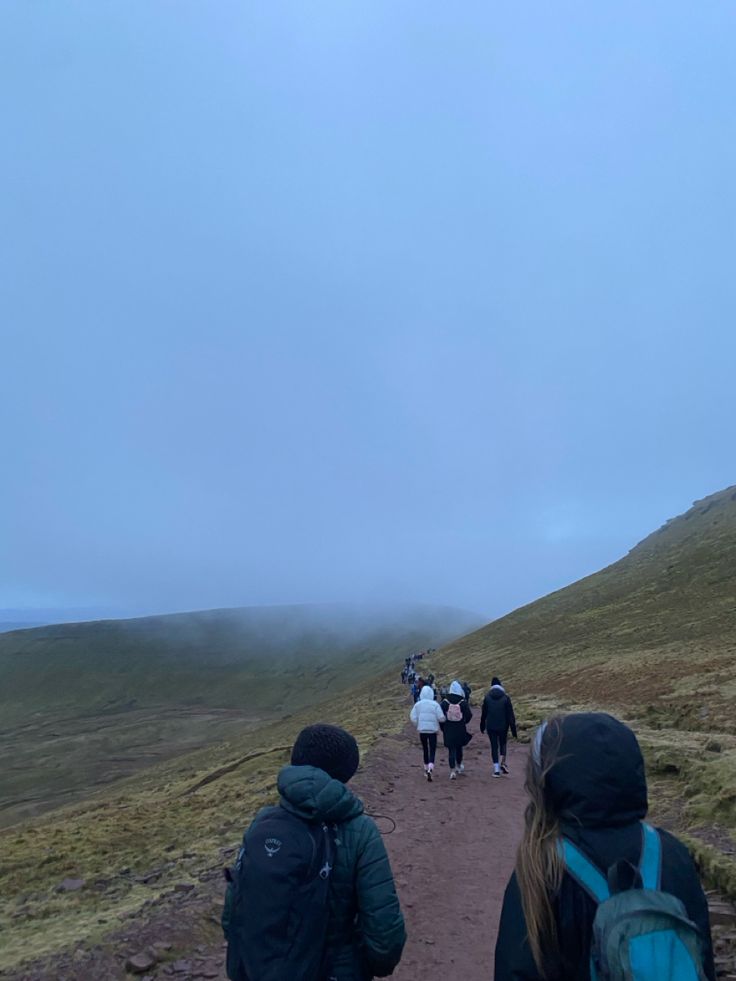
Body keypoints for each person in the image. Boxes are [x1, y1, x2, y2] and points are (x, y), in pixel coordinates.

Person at [494, 713, 715, 981]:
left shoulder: (542, 868)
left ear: (548, 781)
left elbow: (516, 971)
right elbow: (702, 959)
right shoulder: (673, 853)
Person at [224, 723, 406, 980]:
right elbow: (384, 930)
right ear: (346, 773)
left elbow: (234, 908)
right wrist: (368, 966)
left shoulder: (264, 821)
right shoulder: (361, 831)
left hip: (259, 970)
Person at [480, 676, 517, 777]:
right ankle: (502, 762)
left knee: (494, 746)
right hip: (503, 726)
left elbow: (484, 714)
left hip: (491, 726)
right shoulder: (506, 698)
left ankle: (496, 769)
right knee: (503, 743)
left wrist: (482, 725)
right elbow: (510, 715)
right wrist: (514, 730)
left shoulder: (487, 697)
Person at [410, 684, 445, 781]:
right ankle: (431, 767)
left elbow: (413, 717)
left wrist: (418, 724)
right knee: (432, 749)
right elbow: (441, 718)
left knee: (425, 749)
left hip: (422, 730)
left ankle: (425, 769)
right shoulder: (435, 704)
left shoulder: (418, 705)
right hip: (433, 731)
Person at [440, 680, 473, 780]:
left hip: (449, 729)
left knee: (451, 750)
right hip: (460, 728)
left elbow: (440, 716)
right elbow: (469, 715)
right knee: (459, 748)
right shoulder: (462, 702)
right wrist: (464, 722)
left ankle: (452, 771)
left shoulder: (445, 702)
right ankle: (459, 766)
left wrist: (443, 727)